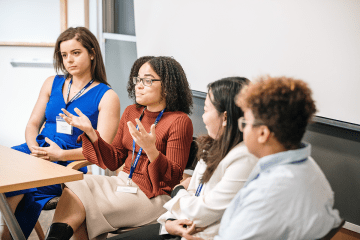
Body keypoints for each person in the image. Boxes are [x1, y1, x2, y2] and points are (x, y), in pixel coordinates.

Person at [45, 56, 194, 240]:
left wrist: (151, 151)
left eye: (147, 80)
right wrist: (91, 133)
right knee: (76, 184)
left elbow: (173, 178)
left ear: (168, 86)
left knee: (84, 204)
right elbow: (114, 159)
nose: (139, 85)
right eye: (137, 79)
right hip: (123, 182)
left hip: (153, 196)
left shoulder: (180, 121)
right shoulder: (132, 111)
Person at [1, 27, 120, 240]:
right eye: (64, 55)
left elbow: (105, 152)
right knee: (7, 170)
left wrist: (61, 156)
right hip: (34, 151)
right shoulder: (51, 82)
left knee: (16, 185)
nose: (69, 60)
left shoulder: (107, 96)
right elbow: (32, 124)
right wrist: (34, 148)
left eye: (76, 53)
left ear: (92, 53)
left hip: (65, 164)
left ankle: (7, 237)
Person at [108, 77, 259, 240]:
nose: (202, 117)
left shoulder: (244, 158)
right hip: (179, 225)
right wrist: (170, 222)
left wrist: (177, 191)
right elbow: (194, 191)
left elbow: (201, 211)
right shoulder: (211, 146)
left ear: (225, 118)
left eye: (206, 110)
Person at [214, 76, 342, 239]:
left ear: (262, 133)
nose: (243, 128)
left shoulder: (267, 194)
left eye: (245, 122)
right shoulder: (311, 168)